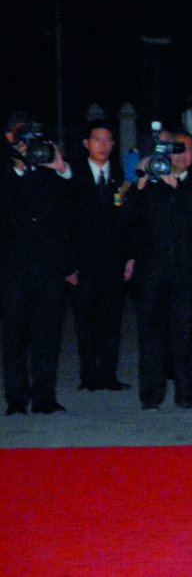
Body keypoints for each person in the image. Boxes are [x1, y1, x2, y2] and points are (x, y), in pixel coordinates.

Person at [124, 131, 192, 410]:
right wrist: (142, 182)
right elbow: (128, 219)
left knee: (185, 336)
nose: (182, 156)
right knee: (150, 335)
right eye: (177, 150)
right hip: (152, 272)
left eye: (187, 150)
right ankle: (151, 394)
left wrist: (176, 187)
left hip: (187, 273)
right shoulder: (148, 183)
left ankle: (185, 394)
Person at [1, 114, 75, 415]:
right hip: (13, 269)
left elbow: (74, 204)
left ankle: (45, 398)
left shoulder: (50, 172)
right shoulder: (6, 172)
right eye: (22, 140)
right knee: (15, 337)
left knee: (47, 337)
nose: (29, 147)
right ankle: (17, 400)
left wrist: (61, 168)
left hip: (48, 269)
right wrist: (19, 166)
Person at [68, 120, 130, 391]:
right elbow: (66, 223)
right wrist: (69, 264)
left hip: (113, 262)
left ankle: (108, 374)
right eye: (97, 139)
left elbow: (125, 220)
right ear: (86, 143)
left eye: (108, 140)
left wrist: (130, 257)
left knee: (111, 321)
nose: (103, 145)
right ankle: (88, 375)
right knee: (85, 322)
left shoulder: (119, 175)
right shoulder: (73, 174)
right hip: (83, 264)